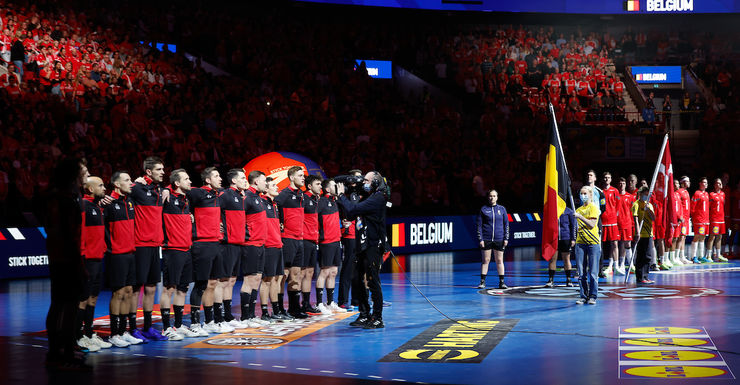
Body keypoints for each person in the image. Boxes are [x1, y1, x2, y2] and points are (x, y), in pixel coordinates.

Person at [43, 158, 91, 369]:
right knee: (69, 306)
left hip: (57, 258)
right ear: (74, 176)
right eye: (83, 170)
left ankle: (56, 352)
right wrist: (79, 265)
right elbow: (70, 235)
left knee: (57, 304)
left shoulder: (54, 196)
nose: (86, 173)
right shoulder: (67, 199)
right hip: (68, 259)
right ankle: (67, 352)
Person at [336, 171, 389, 329]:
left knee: (372, 281)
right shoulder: (367, 196)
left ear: (374, 182)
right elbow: (351, 215)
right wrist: (351, 184)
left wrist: (341, 196)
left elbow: (352, 211)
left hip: (373, 245)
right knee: (356, 279)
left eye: (366, 180)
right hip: (362, 244)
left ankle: (377, 317)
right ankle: (364, 314)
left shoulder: (378, 198)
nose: (363, 183)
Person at [129, 157, 168, 342]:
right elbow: (119, 192)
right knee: (137, 289)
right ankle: (131, 328)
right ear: (148, 172)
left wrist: (167, 189)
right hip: (140, 244)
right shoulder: (136, 188)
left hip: (155, 245)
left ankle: (147, 327)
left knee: (152, 288)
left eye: (163, 169)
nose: (163, 172)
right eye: (159, 169)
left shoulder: (159, 190)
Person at [104, 171, 143, 347]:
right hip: (116, 255)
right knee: (118, 293)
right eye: (127, 181)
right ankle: (114, 334)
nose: (131, 183)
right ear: (117, 185)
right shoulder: (108, 204)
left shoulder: (129, 201)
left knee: (128, 291)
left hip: (131, 253)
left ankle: (123, 331)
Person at [187, 167, 227, 335]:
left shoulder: (218, 195)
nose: (220, 179)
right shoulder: (198, 193)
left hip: (215, 243)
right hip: (202, 245)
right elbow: (180, 194)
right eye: (217, 176)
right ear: (208, 180)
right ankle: (195, 324)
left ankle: (210, 321)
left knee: (212, 283)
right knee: (200, 285)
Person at [76, 176, 113, 351]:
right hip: (87, 260)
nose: (104, 188)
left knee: (93, 298)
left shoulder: (97, 207)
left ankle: (89, 332)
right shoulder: (83, 206)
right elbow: (80, 235)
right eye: (100, 186)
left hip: (99, 258)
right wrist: (82, 259)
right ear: (90, 189)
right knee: (82, 299)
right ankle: (78, 336)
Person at [160, 169, 197, 339]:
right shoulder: (166, 197)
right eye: (186, 179)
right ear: (176, 183)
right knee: (169, 289)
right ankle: (166, 327)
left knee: (183, 289)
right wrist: (166, 188)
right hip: (172, 250)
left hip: (187, 249)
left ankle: (178, 324)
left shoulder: (186, 199)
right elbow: (154, 193)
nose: (190, 181)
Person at [275, 166, 307, 319]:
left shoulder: (301, 194)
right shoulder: (284, 194)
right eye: (300, 176)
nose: (303, 178)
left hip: (299, 239)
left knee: (296, 275)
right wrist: (280, 222)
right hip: (287, 239)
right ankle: (279, 309)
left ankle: (295, 308)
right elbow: (274, 206)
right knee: (284, 275)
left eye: (303, 176)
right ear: (292, 177)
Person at [220, 169, 250, 328]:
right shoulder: (225, 195)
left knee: (231, 280)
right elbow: (213, 210)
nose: (245, 180)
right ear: (233, 181)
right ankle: (222, 315)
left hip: (239, 242)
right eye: (242, 178)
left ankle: (228, 314)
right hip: (228, 243)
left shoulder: (240, 196)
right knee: (224, 280)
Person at [241, 170, 270, 327]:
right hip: (250, 244)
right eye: (264, 180)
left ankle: (252, 315)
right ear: (256, 181)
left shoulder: (258, 198)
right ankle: (245, 317)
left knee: (257, 279)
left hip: (260, 243)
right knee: (249, 279)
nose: (266, 183)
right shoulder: (247, 197)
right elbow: (238, 218)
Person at [316, 178, 347, 314]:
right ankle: (319, 303)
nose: (338, 187)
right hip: (326, 242)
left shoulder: (335, 202)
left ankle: (330, 302)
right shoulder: (321, 202)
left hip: (336, 241)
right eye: (335, 186)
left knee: (334, 272)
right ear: (327, 189)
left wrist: (343, 226)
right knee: (325, 272)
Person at [261, 177, 290, 321]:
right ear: (266, 189)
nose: (277, 187)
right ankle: (265, 312)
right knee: (267, 280)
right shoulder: (261, 203)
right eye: (273, 185)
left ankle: (276, 310)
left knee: (276, 279)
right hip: (268, 246)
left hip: (278, 245)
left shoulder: (274, 205)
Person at [338, 169, 362, 309]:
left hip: (360, 235)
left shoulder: (362, 193)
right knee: (348, 268)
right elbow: (335, 179)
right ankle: (343, 300)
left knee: (359, 269)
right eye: (357, 178)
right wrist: (350, 178)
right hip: (350, 235)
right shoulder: (345, 192)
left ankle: (356, 299)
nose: (360, 181)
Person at [476, 189, 510, 289]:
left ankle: (502, 282)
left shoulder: (502, 209)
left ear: (497, 197)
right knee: (485, 260)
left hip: (499, 239)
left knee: (499, 260)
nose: (492, 198)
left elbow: (506, 224)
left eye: (494, 196)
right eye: (490, 196)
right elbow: (479, 225)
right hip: (486, 239)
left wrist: (506, 238)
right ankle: (482, 282)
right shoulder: (483, 209)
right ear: (488, 197)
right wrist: (480, 239)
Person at [574, 186, 601, 305]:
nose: (583, 195)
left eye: (585, 193)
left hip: (593, 243)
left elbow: (591, 224)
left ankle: (593, 296)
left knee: (593, 273)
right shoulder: (578, 209)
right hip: (580, 243)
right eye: (581, 193)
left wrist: (580, 217)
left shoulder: (593, 208)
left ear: (590, 195)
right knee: (581, 272)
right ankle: (583, 295)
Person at [301, 175, 323, 314]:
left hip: (313, 240)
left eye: (321, 184)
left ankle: (306, 303)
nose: (320, 186)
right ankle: (296, 305)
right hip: (304, 240)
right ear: (310, 186)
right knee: (301, 273)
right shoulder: (303, 199)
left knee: (309, 273)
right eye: (317, 184)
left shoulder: (316, 200)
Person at [546, 206, 576, 287]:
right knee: (552, 259)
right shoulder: (551, 210)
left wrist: (573, 238)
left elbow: (573, 226)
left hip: (565, 238)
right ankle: (551, 280)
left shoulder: (568, 211)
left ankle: (569, 279)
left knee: (566, 259)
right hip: (554, 238)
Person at [632, 186, 656, 284]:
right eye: (644, 194)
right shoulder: (636, 204)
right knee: (640, 256)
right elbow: (636, 219)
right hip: (641, 234)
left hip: (649, 233)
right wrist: (637, 232)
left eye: (647, 195)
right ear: (640, 194)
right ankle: (639, 277)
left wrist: (648, 210)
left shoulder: (649, 205)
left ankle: (646, 276)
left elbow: (653, 218)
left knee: (648, 256)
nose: (646, 196)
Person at [600, 172, 622, 275]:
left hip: (613, 222)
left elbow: (618, 205)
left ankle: (615, 266)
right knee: (600, 245)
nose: (606, 179)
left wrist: (614, 216)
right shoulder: (599, 191)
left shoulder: (615, 191)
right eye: (605, 178)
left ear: (611, 179)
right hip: (602, 221)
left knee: (614, 243)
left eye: (608, 178)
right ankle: (601, 267)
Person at [617, 177, 635, 273]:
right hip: (617, 223)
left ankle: (631, 265)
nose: (621, 185)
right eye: (620, 183)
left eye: (623, 183)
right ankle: (621, 265)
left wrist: (633, 224)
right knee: (618, 244)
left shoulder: (630, 197)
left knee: (627, 243)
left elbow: (633, 211)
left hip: (627, 223)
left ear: (625, 184)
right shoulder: (616, 196)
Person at [707, 178, 728, 262]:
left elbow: (724, 204)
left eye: (720, 183)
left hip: (721, 219)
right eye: (717, 183)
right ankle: (708, 255)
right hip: (714, 219)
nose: (718, 185)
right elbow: (709, 207)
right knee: (712, 236)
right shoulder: (711, 194)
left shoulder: (723, 194)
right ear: (714, 185)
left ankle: (718, 255)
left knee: (720, 236)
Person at [690, 177, 710, 263]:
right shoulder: (697, 193)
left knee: (703, 237)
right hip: (698, 219)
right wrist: (694, 217)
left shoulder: (706, 194)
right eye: (703, 182)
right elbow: (692, 207)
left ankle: (701, 256)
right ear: (700, 183)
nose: (705, 184)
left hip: (705, 219)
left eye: (706, 183)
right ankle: (693, 256)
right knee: (697, 236)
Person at [677, 176, 692, 263]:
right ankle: (677, 257)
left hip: (686, 219)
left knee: (684, 237)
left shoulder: (686, 192)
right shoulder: (679, 192)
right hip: (682, 219)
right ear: (682, 182)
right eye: (687, 181)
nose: (689, 183)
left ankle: (682, 257)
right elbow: (678, 206)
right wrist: (680, 217)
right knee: (680, 237)